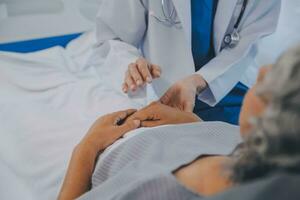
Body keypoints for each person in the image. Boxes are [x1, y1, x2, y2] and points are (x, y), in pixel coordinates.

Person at [58, 45, 300, 200]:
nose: (264, 71)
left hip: (110, 141)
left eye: (285, 74)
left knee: (70, 78)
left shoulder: (155, 190)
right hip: (178, 125)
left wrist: (86, 149)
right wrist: (194, 123)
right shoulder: (264, 148)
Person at [91, 0, 281, 124]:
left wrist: (199, 80)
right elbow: (111, 38)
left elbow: (250, 39)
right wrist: (131, 65)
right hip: (161, 93)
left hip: (226, 87)